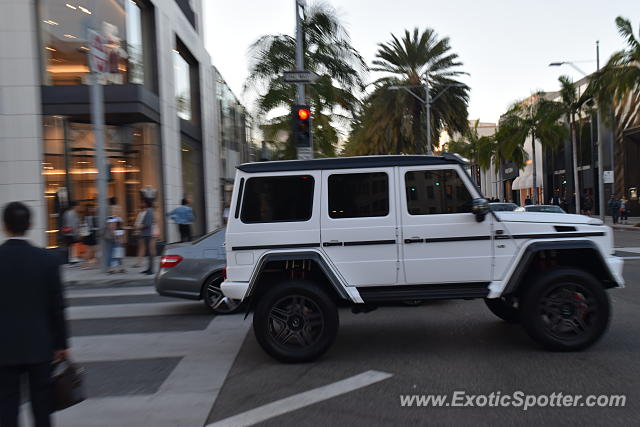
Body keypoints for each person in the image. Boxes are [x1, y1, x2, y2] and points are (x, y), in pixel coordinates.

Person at [0, 202, 70, 427]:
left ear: (4, 226)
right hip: (40, 345)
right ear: (30, 225)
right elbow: (57, 306)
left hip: (4, 347)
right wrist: (62, 343)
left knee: (6, 406)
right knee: (42, 407)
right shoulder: (47, 260)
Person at [140, 199, 155, 275]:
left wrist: (140, 227)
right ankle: (149, 268)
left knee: (149, 252)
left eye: (143, 202)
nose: (142, 203)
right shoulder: (150, 211)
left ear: (146, 203)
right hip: (147, 234)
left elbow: (147, 224)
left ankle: (151, 269)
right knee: (149, 252)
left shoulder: (149, 212)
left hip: (147, 234)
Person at [81, 204, 99, 269]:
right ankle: (85, 264)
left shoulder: (86, 217)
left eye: (93, 208)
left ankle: (89, 264)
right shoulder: (90, 217)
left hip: (89, 235)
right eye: (91, 208)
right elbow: (93, 227)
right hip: (91, 235)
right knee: (91, 250)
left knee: (93, 250)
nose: (93, 209)